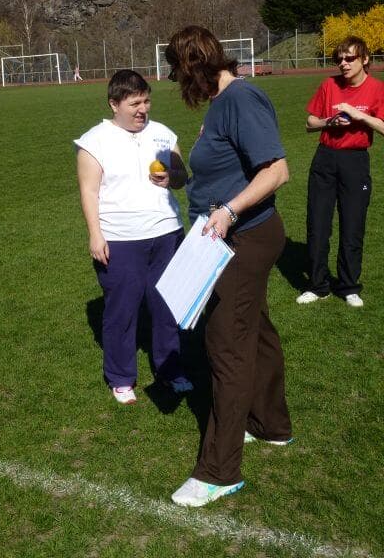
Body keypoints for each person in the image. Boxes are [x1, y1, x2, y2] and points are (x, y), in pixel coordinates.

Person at [164, 25, 292, 507]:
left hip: (241, 239)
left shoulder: (241, 99)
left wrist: (229, 211)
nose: (180, 85)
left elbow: (277, 171)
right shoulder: (223, 104)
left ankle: (219, 471)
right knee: (255, 330)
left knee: (227, 348)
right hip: (228, 235)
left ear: (193, 66)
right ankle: (271, 423)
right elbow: (223, 167)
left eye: (179, 74)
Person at [74, 69, 193, 405]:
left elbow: (182, 176)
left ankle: (170, 370)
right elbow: (89, 191)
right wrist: (95, 235)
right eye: (135, 103)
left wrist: (172, 177)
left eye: (146, 101)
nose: (143, 109)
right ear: (114, 104)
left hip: (167, 232)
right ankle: (121, 377)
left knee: (167, 305)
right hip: (120, 239)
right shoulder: (94, 141)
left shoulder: (163, 134)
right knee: (122, 311)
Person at [296, 36, 384, 308]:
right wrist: (328, 122)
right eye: (339, 59)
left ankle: (349, 286)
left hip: (355, 162)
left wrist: (360, 117)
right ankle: (318, 285)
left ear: (365, 59)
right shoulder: (329, 85)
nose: (343, 64)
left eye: (349, 58)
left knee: (352, 226)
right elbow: (309, 123)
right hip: (325, 159)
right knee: (318, 225)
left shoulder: (376, 89)